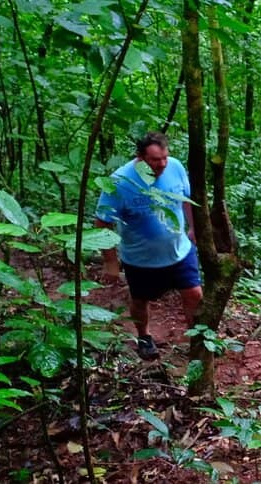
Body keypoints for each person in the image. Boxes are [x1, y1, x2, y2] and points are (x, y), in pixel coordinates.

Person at [95, 132, 203, 360]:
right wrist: (110, 261)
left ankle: (198, 340)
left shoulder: (175, 167)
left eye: (165, 157)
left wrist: (194, 228)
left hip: (180, 251)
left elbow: (187, 199)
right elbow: (103, 220)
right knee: (140, 300)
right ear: (140, 157)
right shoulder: (120, 182)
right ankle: (143, 336)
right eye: (155, 160)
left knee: (194, 294)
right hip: (140, 258)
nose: (162, 164)